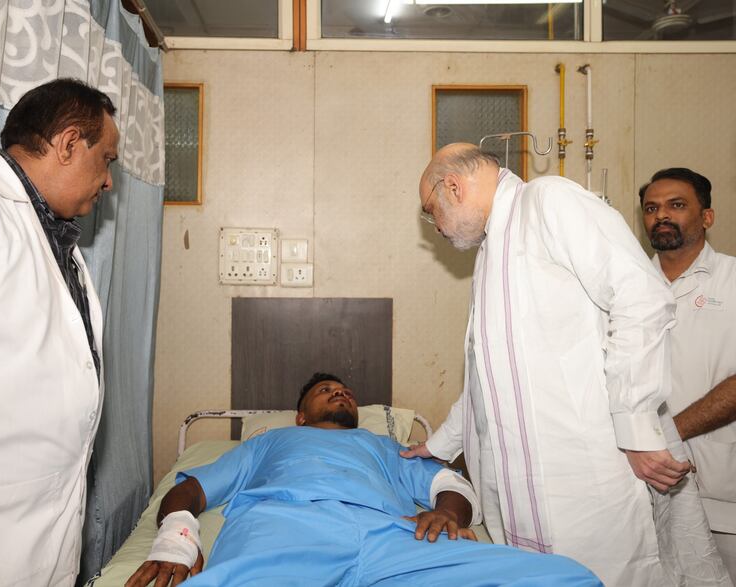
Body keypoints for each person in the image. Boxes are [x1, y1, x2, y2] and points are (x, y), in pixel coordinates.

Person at [403, 143, 729, 586]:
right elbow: (489, 377)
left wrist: (636, 426)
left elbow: (642, 297)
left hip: (582, 476)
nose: (434, 225)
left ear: (453, 187)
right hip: (520, 485)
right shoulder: (491, 251)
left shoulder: (548, 201)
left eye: (430, 211)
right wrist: (441, 442)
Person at [126, 373, 601, 587]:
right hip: (285, 531)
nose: (340, 393)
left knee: (567, 578)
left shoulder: (387, 447)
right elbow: (189, 490)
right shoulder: (267, 444)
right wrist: (177, 538)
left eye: (345, 392)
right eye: (325, 391)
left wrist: (446, 514)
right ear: (300, 415)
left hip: (390, 538)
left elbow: (448, 486)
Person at [0, 78, 119, 586]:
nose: (109, 183)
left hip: (42, 542)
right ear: (66, 144)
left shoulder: (61, 247)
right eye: (106, 159)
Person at [640, 167, 736, 581]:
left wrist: (664, 435)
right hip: (643, 489)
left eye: (676, 205)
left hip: (721, 494)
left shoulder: (732, 281)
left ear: (707, 217)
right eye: (651, 208)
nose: (662, 215)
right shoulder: (625, 287)